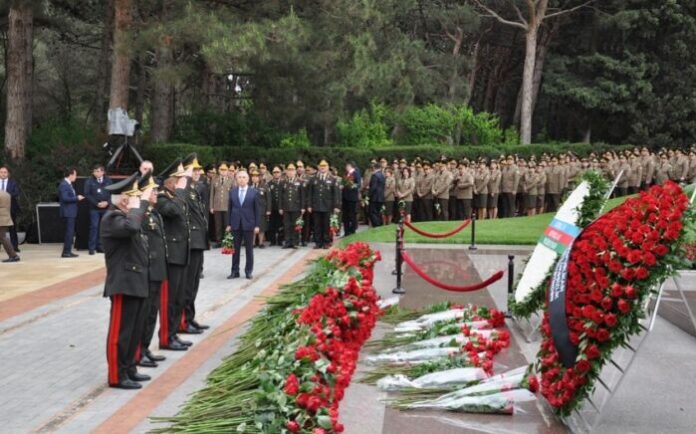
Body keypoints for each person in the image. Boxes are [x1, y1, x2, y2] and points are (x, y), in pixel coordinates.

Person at [101, 172, 151, 389]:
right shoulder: (112, 219)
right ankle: (116, 375)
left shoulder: (127, 217)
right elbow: (131, 228)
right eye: (133, 197)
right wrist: (137, 206)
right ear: (124, 199)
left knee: (134, 330)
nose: (137, 202)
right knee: (120, 332)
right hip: (123, 283)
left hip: (136, 281)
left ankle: (129, 367)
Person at [155, 160, 191, 352]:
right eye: (178, 180)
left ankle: (173, 333)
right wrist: (181, 192)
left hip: (181, 254)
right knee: (169, 300)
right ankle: (166, 337)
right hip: (171, 256)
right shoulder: (163, 198)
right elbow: (174, 211)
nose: (181, 183)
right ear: (170, 183)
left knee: (178, 298)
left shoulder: (173, 196)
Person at [133, 171, 167, 368]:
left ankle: (145, 348)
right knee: (144, 314)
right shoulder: (141, 214)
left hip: (157, 271)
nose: (157, 193)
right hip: (148, 271)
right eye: (153, 190)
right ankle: (138, 351)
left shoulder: (153, 213)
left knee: (152, 313)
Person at [181, 154, 210, 334]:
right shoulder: (184, 190)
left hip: (198, 241)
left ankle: (190, 318)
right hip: (191, 242)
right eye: (194, 169)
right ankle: (184, 321)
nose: (198, 172)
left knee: (193, 284)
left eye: (199, 169)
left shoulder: (194, 189)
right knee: (187, 285)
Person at [227, 170, 261, 279]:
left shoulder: (254, 192)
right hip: (235, 224)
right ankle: (234, 271)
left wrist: (257, 225)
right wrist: (228, 224)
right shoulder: (232, 192)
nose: (241, 179)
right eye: (239, 177)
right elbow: (229, 209)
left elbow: (257, 210)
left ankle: (248, 271)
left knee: (249, 249)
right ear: (236, 179)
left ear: (248, 179)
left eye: (243, 177)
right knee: (235, 249)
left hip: (249, 224)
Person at [308, 160, 341, 248]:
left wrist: (337, 206)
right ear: (318, 167)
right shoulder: (313, 179)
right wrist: (309, 205)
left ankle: (327, 242)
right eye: (321, 166)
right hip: (316, 205)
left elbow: (336, 194)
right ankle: (318, 243)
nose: (322, 167)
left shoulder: (333, 179)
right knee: (317, 225)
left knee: (327, 225)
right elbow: (310, 193)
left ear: (328, 167)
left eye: (324, 166)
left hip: (328, 206)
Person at [84, 165, 113, 255]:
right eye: (94, 171)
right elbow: (87, 194)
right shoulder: (89, 181)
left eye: (98, 171)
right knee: (94, 227)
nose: (96, 173)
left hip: (106, 208)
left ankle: (100, 247)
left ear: (102, 172)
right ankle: (91, 248)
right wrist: (97, 203)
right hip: (94, 209)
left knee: (103, 227)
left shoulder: (108, 181)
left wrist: (107, 202)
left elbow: (113, 193)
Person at [58, 167, 84, 258]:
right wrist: (77, 198)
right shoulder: (64, 184)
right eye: (75, 175)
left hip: (71, 212)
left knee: (70, 232)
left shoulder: (68, 184)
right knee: (69, 232)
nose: (76, 177)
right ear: (71, 175)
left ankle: (67, 250)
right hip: (68, 212)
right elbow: (65, 198)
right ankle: (66, 252)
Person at [279, 164, 305, 249]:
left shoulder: (300, 182)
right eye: (289, 170)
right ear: (286, 171)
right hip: (286, 207)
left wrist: (302, 207)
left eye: (292, 170)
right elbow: (280, 196)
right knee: (286, 226)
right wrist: (280, 207)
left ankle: (295, 242)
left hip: (296, 207)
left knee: (295, 225)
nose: (290, 172)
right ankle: (287, 242)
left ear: (295, 171)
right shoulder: (283, 182)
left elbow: (302, 196)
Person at [209, 162, 234, 247]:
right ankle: (219, 242)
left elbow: (233, 195)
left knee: (227, 225)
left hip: (227, 206)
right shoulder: (214, 179)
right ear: (218, 170)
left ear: (227, 170)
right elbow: (212, 194)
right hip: (217, 206)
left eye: (225, 170)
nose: (223, 171)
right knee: (218, 225)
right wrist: (211, 206)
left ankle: (227, 242)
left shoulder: (231, 180)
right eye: (221, 169)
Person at [0, 166, 20, 252]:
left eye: (5, 172)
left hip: (11, 208)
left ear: (8, 173)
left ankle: (14, 246)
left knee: (12, 228)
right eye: (1, 172)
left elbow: (16, 193)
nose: (3, 174)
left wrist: (5, 197)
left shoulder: (13, 182)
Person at [250, 170, 270, 248]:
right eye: (253, 176)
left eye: (256, 176)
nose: (254, 178)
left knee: (261, 227)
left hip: (262, 210)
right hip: (251, 210)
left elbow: (268, 198)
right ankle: (253, 243)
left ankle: (261, 243)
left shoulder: (264, 186)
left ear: (260, 177)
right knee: (252, 227)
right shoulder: (249, 186)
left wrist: (268, 209)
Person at [0, 187, 20, 262]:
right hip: (5, 217)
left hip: (1, 219)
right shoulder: (6, 193)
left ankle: (13, 255)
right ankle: (13, 255)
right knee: (3, 237)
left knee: (3, 237)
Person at [341, 161, 361, 236]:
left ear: (351, 166)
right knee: (345, 215)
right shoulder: (346, 174)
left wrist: (352, 186)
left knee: (352, 214)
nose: (346, 167)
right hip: (345, 196)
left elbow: (358, 184)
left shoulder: (356, 173)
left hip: (352, 197)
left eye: (347, 166)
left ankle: (352, 230)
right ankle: (346, 231)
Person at [266, 166, 284, 245]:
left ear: (281, 173)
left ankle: (280, 240)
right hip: (272, 208)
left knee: (281, 224)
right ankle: (272, 241)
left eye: (278, 172)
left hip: (281, 208)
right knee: (272, 225)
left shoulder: (284, 183)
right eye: (274, 172)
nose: (276, 174)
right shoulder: (269, 184)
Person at [367, 162, 385, 227]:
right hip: (381, 197)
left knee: (372, 212)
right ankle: (380, 224)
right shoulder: (382, 175)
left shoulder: (375, 175)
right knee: (378, 212)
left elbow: (373, 187)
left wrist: (368, 195)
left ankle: (376, 225)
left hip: (375, 197)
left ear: (374, 168)